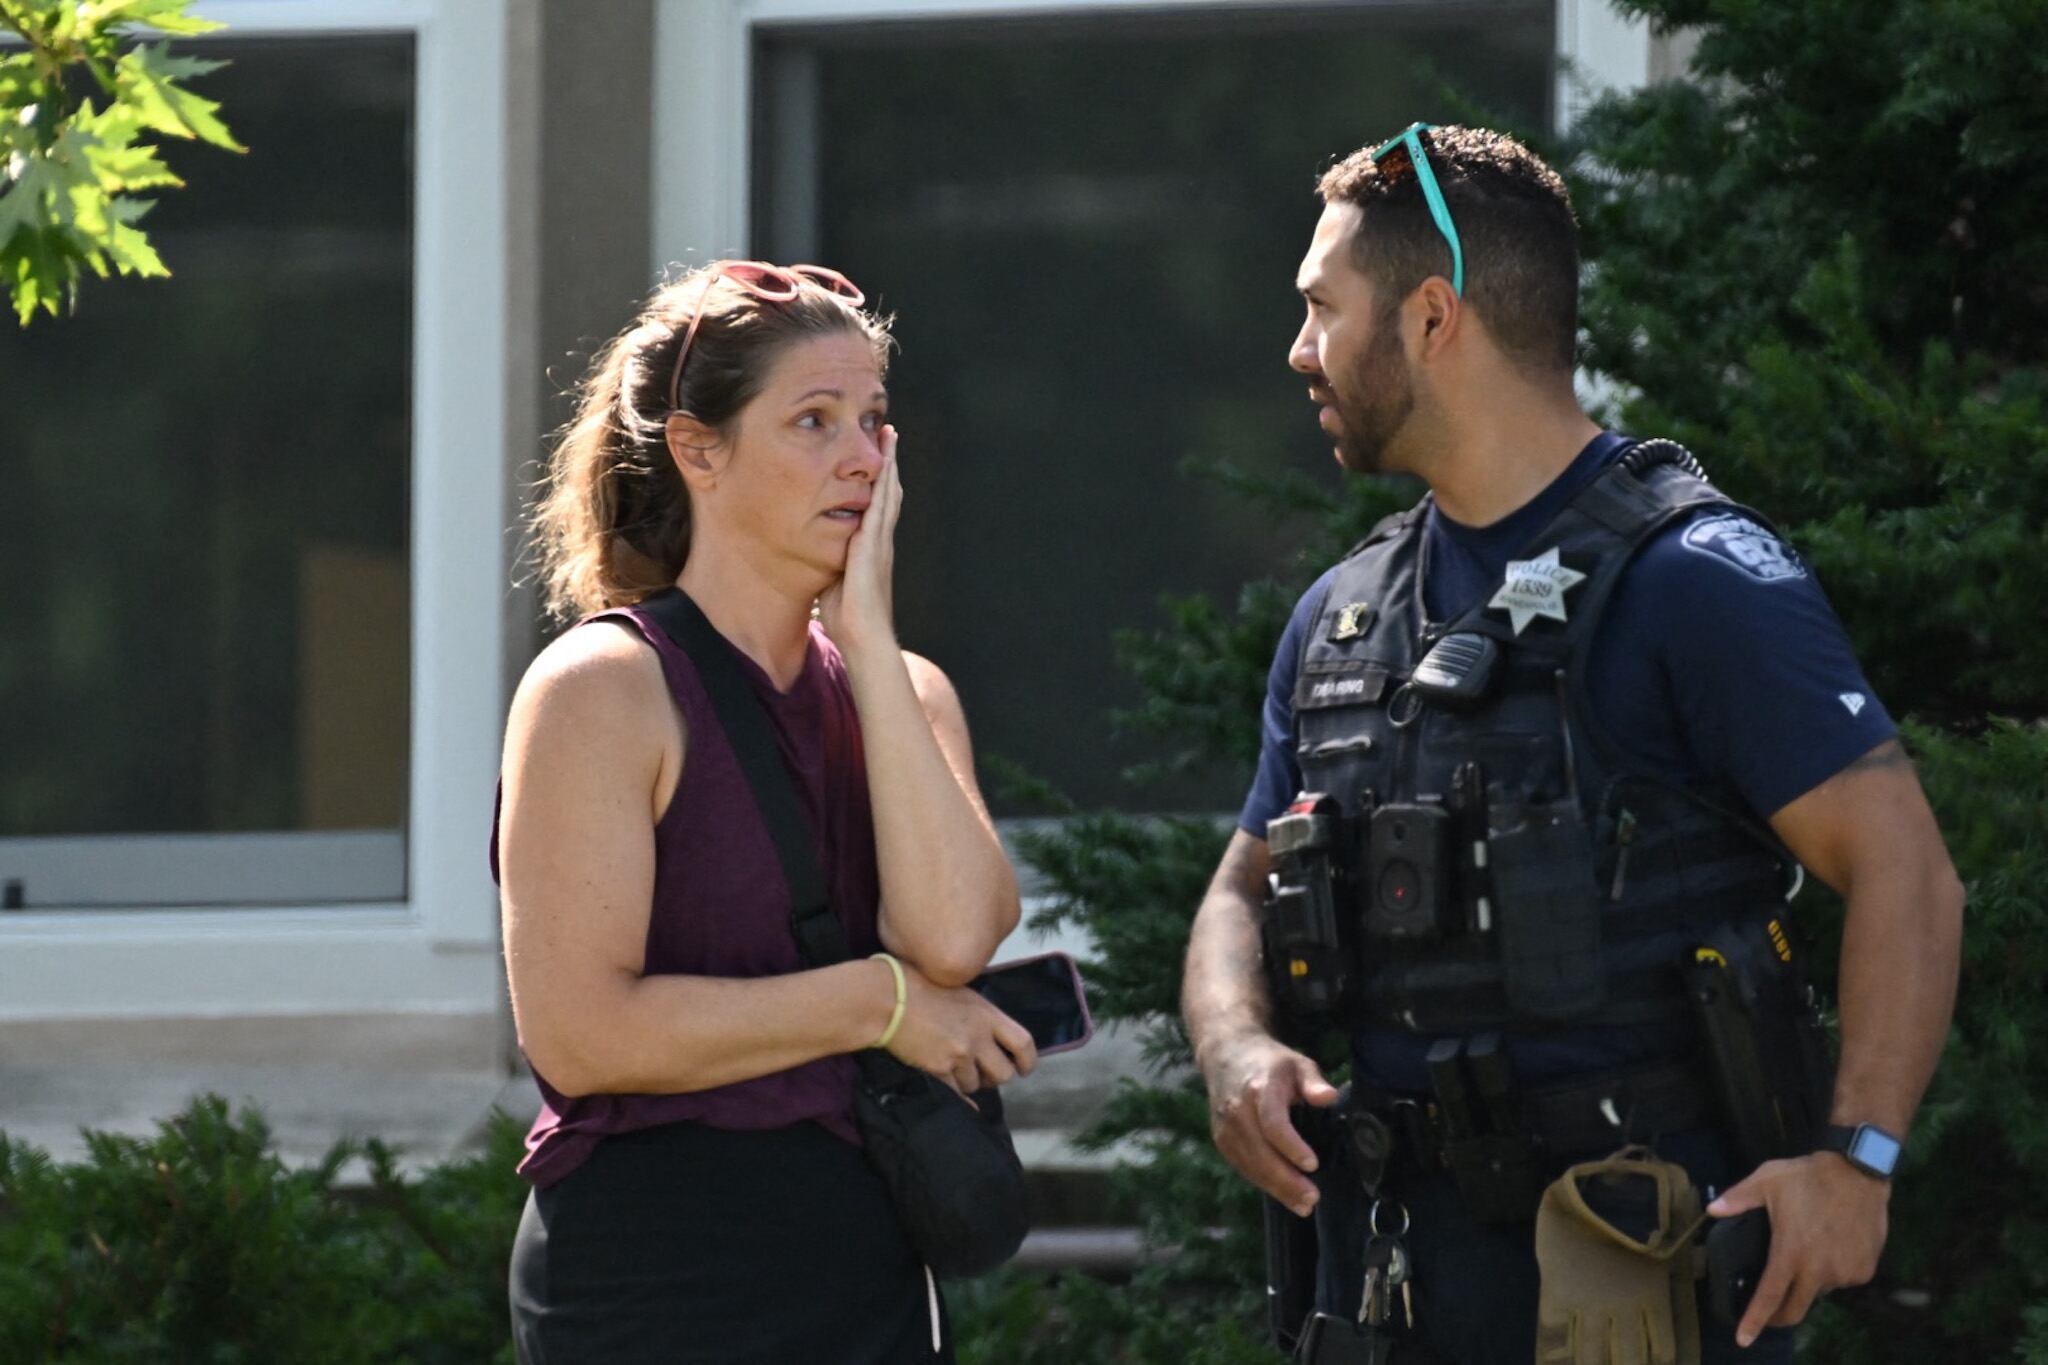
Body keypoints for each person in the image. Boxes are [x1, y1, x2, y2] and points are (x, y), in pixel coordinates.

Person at [1181, 125, 1964, 1363]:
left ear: (1432, 318)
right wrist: (1235, 1045)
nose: (1297, 350)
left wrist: (1852, 1162)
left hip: (1635, 1270)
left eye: (1321, 309)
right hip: (1391, 1279)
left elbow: (1903, 870)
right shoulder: (1339, 616)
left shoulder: (1692, 581)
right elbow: (1239, 884)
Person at [496, 260, 1035, 1364]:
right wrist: (877, 1004)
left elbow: (952, 936)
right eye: (813, 420)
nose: (862, 456)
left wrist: (869, 638)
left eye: (876, 421)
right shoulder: (601, 688)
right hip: (654, 1276)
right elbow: (580, 1034)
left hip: (868, 1257)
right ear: (699, 450)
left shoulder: (908, 689)